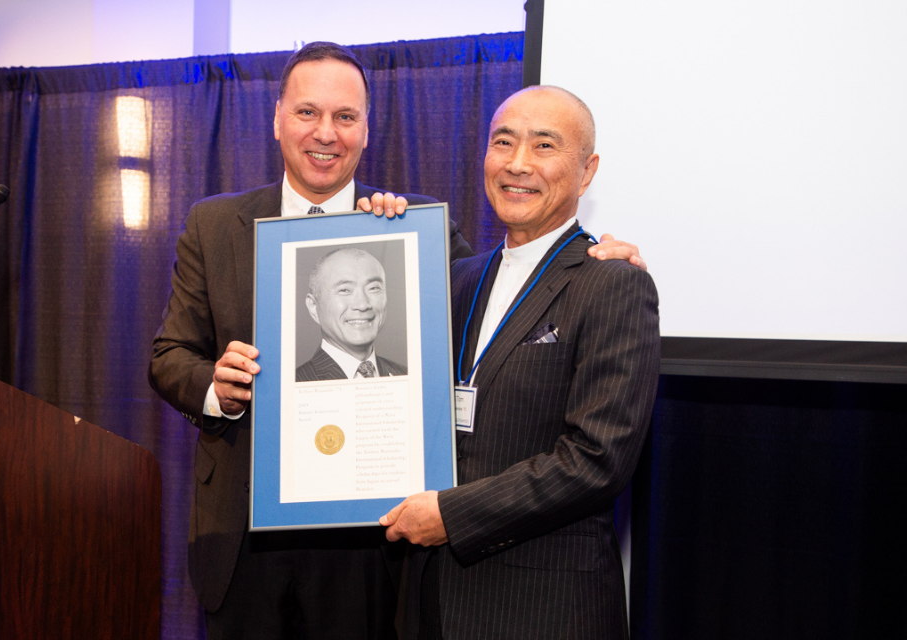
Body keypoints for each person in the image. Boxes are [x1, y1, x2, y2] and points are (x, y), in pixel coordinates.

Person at [149, 40, 645, 638]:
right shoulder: (212, 224)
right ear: (278, 118)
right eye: (308, 113)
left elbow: (526, 288)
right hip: (241, 534)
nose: (325, 133)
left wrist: (599, 256)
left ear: (366, 129)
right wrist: (215, 387)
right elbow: (169, 356)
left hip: (371, 547)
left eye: (346, 117)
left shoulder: (414, 231)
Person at [379, 86, 661, 640]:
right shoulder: (458, 279)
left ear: (586, 171)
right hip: (432, 601)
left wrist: (453, 517)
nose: (517, 163)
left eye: (544, 146)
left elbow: (596, 460)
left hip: (543, 609)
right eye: (502, 142)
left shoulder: (614, 285)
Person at [296, 247, 406, 381]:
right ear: (314, 307)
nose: (362, 305)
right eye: (344, 290)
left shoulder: (407, 376)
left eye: (374, 288)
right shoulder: (293, 384)